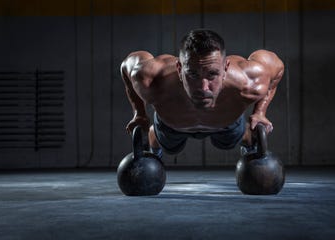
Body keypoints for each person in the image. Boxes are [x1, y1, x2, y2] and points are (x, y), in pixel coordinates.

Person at [120, 29, 284, 159]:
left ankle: (248, 143)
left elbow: (277, 68)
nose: (203, 87)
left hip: (226, 123)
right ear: (179, 69)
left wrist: (260, 112)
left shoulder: (249, 80)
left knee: (234, 139)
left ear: (225, 69)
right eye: (192, 75)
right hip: (172, 125)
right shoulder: (152, 78)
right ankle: (153, 139)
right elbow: (126, 67)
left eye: (212, 74)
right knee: (166, 144)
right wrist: (139, 114)